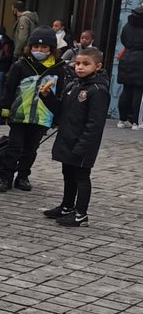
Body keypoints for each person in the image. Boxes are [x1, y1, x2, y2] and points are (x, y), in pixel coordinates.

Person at [39, 47, 110, 227]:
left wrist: (83, 145)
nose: (80, 67)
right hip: (67, 139)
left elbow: (95, 123)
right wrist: (47, 97)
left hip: (82, 143)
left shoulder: (98, 90)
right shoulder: (73, 85)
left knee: (81, 177)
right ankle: (67, 206)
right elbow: (61, 111)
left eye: (86, 64)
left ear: (98, 66)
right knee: (68, 174)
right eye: (78, 63)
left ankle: (81, 214)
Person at [0, 26, 62, 193]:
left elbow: (60, 94)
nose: (39, 50)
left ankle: (23, 176)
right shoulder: (20, 65)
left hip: (42, 116)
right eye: (36, 47)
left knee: (31, 149)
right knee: (14, 146)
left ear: (51, 49)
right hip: (20, 114)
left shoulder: (58, 69)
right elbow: (9, 88)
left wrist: (57, 117)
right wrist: (5, 109)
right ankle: (5, 176)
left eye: (44, 47)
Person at [115, 5, 143, 129]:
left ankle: (122, 120)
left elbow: (123, 40)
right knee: (138, 91)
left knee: (126, 90)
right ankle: (136, 122)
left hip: (126, 58)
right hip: (140, 60)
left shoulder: (128, 25)